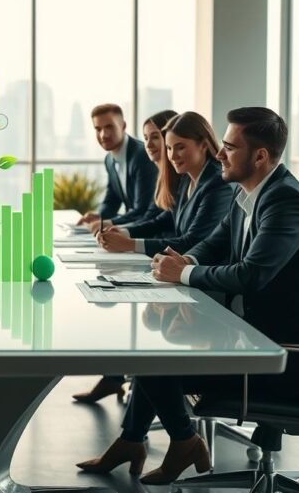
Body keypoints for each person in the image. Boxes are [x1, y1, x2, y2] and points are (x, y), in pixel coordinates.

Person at [77, 107, 299, 486]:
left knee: (153, 359)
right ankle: (134, 440)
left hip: (285, 360)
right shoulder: (248, 194)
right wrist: (185, 261)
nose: (220, 154)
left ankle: (182, 441)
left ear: (260, 157)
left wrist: (181, 272)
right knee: (151, 350)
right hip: (252, 337)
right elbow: (213, 244)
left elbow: (251, 275)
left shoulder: (285, 201)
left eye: (229, 147)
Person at [72, 109, 199, 405]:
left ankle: (120, 387)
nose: (153, 146)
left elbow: (159, 220)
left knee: (133, 323)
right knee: (109, 298)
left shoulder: (185, 177)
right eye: (150, 139)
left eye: (159, 139)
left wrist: (126, 237)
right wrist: (109, 225)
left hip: (180, 270)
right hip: (168, 263)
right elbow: (155, 216)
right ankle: (117, 383)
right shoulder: (177, 176)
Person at [97, 111, 233, 257]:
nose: (172, 156)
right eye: (169, 148)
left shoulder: (217, 184)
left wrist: (130, 244)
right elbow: (165, 220)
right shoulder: (187, 178)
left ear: (203, 145)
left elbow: (192, 242)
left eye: (180, 147)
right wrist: (124, 232)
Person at [78, 103, 159, 228]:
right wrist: (99, 216)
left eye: (109, 127)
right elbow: (112, 200)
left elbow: (141, 210)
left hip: (147, 229)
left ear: (123, 126)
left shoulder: (142, 155)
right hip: (131, 226)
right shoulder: (109, 160)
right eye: (98, 129)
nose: (103, 135)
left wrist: (108, 223)